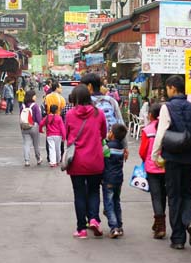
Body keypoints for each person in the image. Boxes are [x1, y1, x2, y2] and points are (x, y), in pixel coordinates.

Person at [152, 75, 191, 250]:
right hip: (190, 158)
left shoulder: (168, 107)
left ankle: (178, 238)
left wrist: (154, 155)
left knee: (174, 197)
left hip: (173, 158)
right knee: (187, 193)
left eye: (167, 88)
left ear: (172, 88)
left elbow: (161, 133)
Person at [64, 85, 107, 238]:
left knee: (79, 194)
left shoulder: (69, 115)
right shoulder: (99, 113)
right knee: (94, 191)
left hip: (76, 161)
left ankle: (81, 228)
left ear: (75, 99)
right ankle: (94, 219)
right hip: (95, 160)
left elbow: (67, 134)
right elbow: (103, 133)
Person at [139, 101, 167, 239]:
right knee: (163, 196)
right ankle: (159, 222)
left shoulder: (148, 130)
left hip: (152, 168)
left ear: (150, 115)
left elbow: (143, 151)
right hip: (167, 168)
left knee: (156, 196)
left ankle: (160, 225)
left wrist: (146, 160)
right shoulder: (168, 128)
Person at [103, 122, 128, 238]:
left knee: (109, 203)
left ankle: (114, 227)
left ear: (112, 134)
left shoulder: (107, 148)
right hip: (119, 178)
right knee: (116, 202)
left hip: (108, 179)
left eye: (110, 131)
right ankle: (120, 225)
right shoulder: (122, 148)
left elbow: (101, 159)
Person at [19, 90, 42, 167]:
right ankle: (38, 159)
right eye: (34, 95)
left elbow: (21, 117)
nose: (36, 97)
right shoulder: (35, 106)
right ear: (32, 96)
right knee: (36, 144)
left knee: (26, 144)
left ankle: (27, 161)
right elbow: (39, 119)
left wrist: (21, 127)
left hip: (24, 127)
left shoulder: (22, 106)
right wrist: (41, 127)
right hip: (34, 126)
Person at [40, 103, 66, 167]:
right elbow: (62, 128)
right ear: (57, 110)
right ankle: (57, 161)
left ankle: (52, 162)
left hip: (49, 135)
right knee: (58, 149)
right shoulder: (59, 118)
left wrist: (40, 130)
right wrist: (64, 137)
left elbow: (41, 124)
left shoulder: (47, 117)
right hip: (58, 135)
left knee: (51, 148)